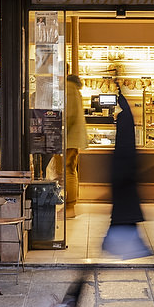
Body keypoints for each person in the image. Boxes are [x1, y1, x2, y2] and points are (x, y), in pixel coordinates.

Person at [38, 81, 154, 307]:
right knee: (114, 261)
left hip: (124, 213)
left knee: (100, 262)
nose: (113, 115)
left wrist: (113, 192)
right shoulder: (125, 132)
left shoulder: (124, 135)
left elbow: (123, 169)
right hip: (124, 212)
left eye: (116, 111)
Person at [63, 74, 88, 218]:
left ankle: (69, 207)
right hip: (70, 137)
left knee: (68, 171)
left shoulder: (69, 87)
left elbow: (68, 115)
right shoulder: (71, 86)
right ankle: (68, 205)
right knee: (69, 170)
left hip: (69, 138)